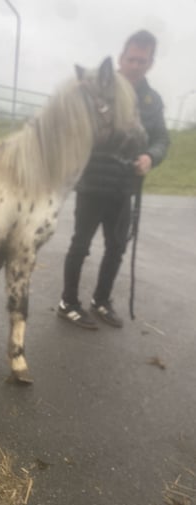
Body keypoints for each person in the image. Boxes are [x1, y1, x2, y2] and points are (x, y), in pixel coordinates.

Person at [57, 29, 170, 329]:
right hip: (92, 182)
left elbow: (161, 138)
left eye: (142, 61)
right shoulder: (99, 87)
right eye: (131, 59)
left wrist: (151, 157)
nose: (135, 65)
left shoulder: (152, 101)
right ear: (121, 58)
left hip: (125, 186)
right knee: (80, 245)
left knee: (117, 247)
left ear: (150, 63)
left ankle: (101, 300)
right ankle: (68, 302)